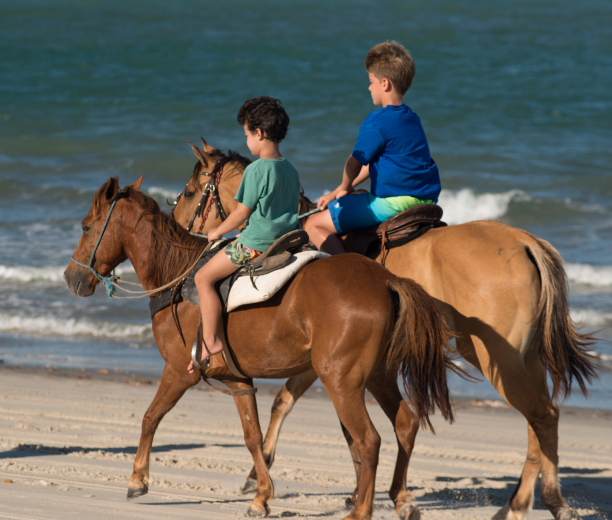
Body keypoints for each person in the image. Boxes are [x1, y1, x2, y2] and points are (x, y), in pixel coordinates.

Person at [189, 97, 301, 373]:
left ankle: (210, 339)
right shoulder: (290, 168)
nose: (247, 141)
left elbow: (240, 213)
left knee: (203, 278)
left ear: (259, 134)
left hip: (256, 244)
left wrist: (217, 230)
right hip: (289, 238)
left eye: (247, 134)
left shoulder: (256, 169)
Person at [304, 41, 441, 255]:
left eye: (371, 82)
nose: (369, 88)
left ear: (384, 83)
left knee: (313, 224)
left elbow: (354, 163)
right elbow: (374, 165)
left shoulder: (376, 121)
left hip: (392, 204)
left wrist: (346, 185)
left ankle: (348, 268)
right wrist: (337, 192)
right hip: (426, 198)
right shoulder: (412, 118)